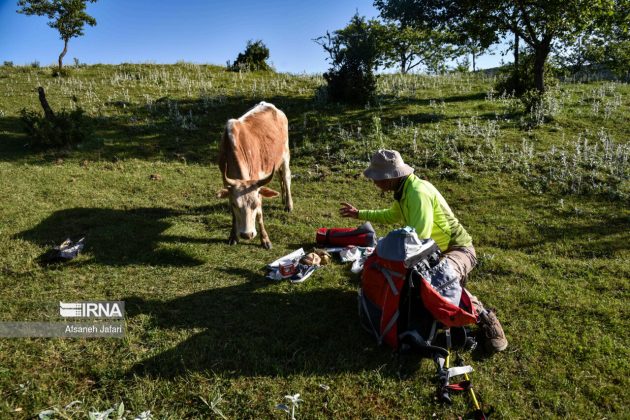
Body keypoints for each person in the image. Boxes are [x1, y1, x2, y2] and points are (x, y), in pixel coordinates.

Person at [340, 149, 507, 353]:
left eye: (377, 177)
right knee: (417, 282)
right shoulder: (403, 191)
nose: (374, 182)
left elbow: (420, 241)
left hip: (458, 250)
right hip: (433, 252)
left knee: (436, 278)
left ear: (391, 176)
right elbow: (393, 215)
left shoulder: (417, 193)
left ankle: (487, 319)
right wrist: (359, 214)